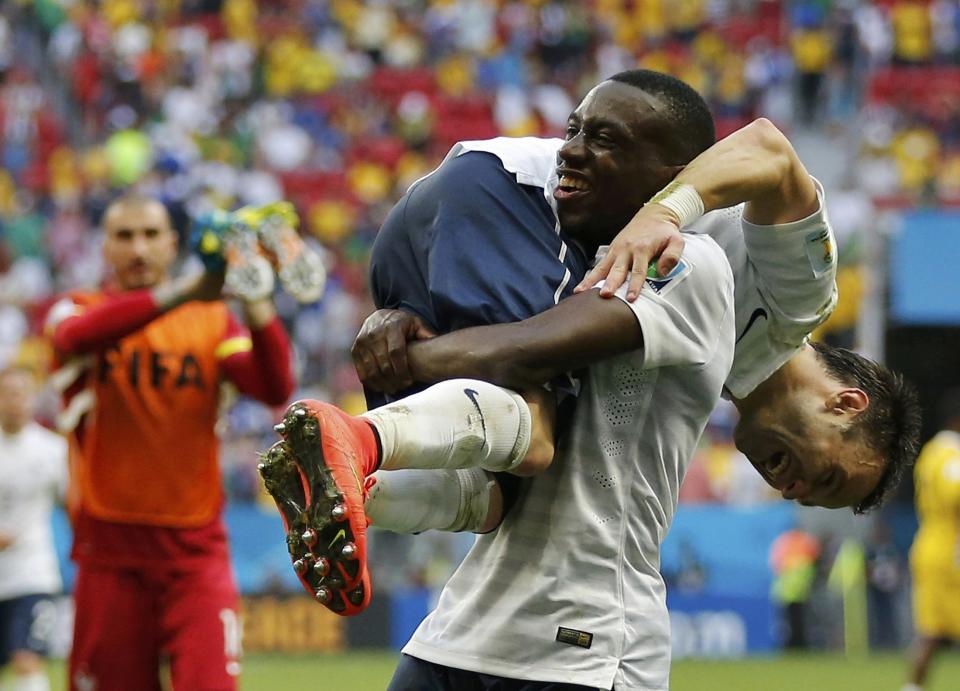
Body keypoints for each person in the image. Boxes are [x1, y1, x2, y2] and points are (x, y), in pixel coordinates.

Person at [263, 71, 920, 688]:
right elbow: (772, 151)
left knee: (503, 475)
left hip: (460, 635)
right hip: (586, 649)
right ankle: (359, 443)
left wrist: (399, 336)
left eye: (810, 498)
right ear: (845, 402)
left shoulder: (703, 372)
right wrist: (667, 212)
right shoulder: (784, 296)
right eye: (827, 475)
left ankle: (354, 483)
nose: (794, 487)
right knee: (534, 419)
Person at [45, 195, 295, 691]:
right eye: (124, 236)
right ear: (104, 247)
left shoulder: (211, 319)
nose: (139, 248)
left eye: (151, 235)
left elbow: (273, 386)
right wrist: (186, 292)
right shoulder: (79, 308)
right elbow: (74, 338)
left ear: (174, 243)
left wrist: (255, 293)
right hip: (108, 554)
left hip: (194, 553)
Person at [0, 367, 67, 691]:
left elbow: (74, 505)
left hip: (32, 573)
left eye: (21, 394)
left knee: (27, 658)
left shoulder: (53, 450)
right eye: (7, 394)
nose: (15, 402)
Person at [903, 390, 960, 691]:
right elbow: (955, 494)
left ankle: (912, 687)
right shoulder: (951, 454)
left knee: (932, 628)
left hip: (930, 541)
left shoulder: (931, 452)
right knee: (932, 629)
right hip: (947, 550)